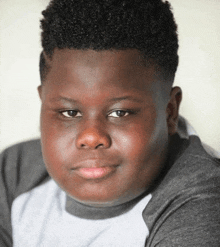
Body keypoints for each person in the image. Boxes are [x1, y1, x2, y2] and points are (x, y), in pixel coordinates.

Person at [0, 0, 220, 246]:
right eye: (70, 112)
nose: (91, 137)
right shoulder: (16, 173)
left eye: (121, 113)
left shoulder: (202, 205)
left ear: (170, 112)